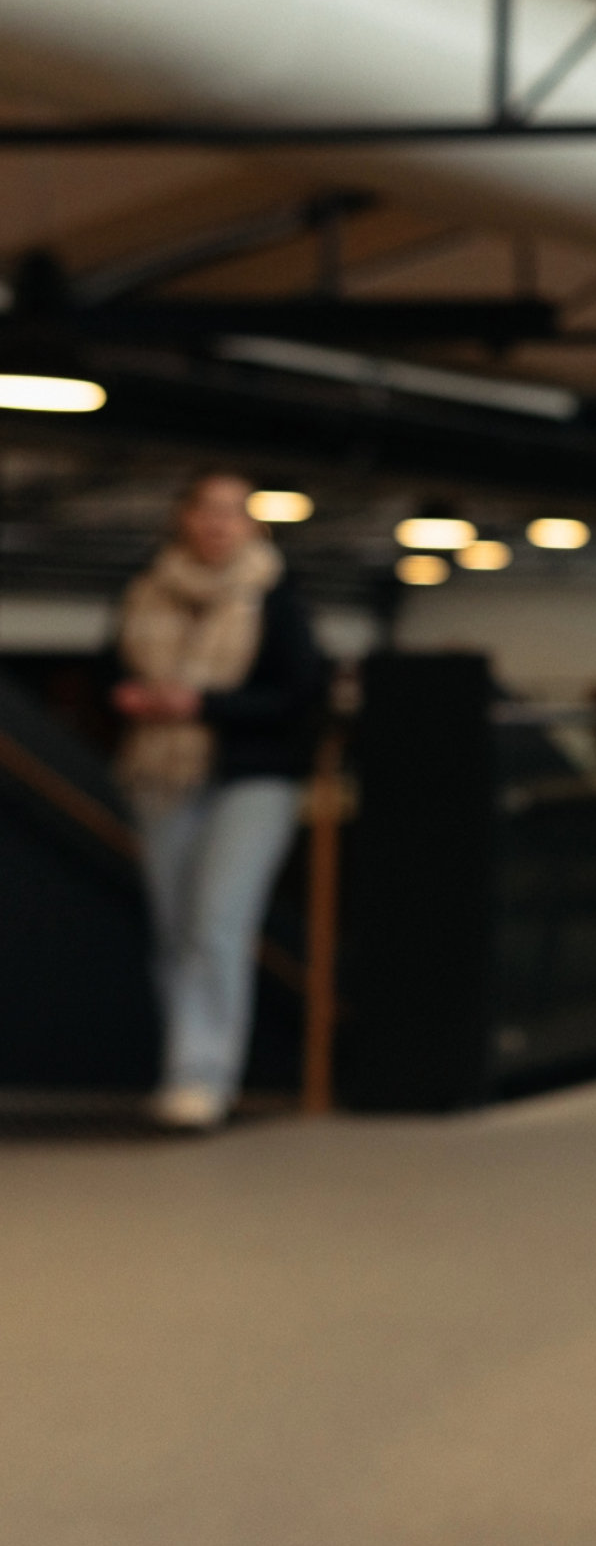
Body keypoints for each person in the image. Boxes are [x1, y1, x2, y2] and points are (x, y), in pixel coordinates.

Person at [113, 470, 325, 1131]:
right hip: (160, 772)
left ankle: (204, 1077)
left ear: (251, 524)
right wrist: (133, 696)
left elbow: (301, 695)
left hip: (251, 777)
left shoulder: (276, 600)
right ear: (184, 518)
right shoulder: (146, 590)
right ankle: (180, 1067)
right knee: (175, 929)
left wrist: (204, 704)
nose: (217, 524)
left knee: (216, 923)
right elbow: (107, 667)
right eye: (206, 510)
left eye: (232, 513)